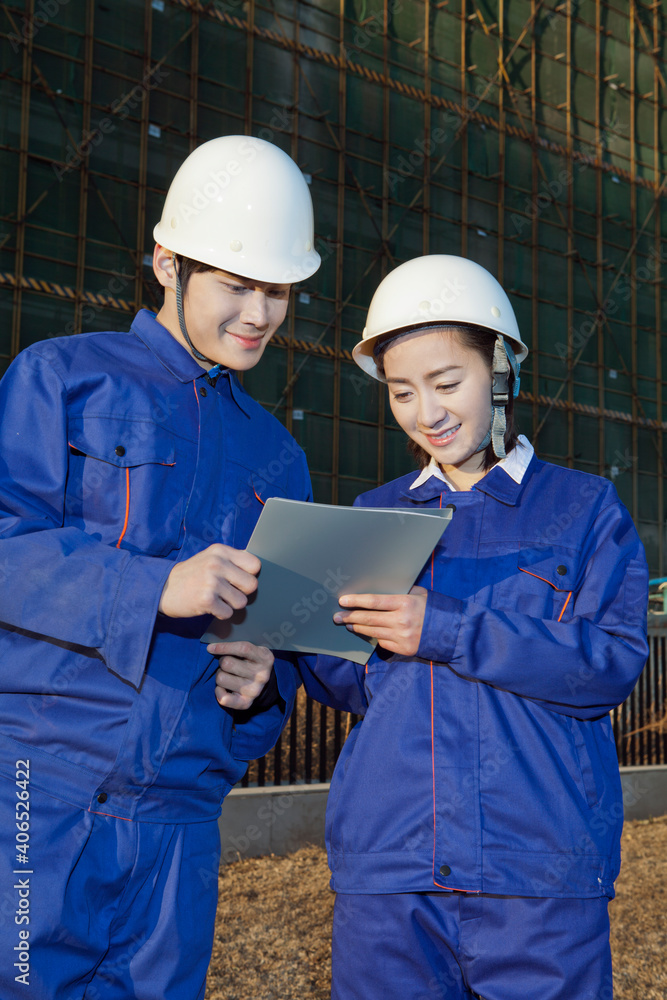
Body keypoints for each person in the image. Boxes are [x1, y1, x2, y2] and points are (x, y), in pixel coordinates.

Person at [259, 254, 648, 999]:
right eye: (402, 393)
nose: (425, 413)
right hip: (389, 875)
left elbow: (606, 666)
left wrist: (442, 627)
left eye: (446, 384)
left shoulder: (584, 510)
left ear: (500, 369)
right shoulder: (371, 516)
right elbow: (344, 682)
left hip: (536, 875)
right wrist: (276, 644)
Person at [0, 134, 320, 998]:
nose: (260, 313)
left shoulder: (277, 457)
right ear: (166, 261)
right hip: (36, 795)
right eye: (237, 285)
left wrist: (264, 679)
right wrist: (152, 585)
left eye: (279, 290)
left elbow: (277, 634)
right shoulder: (62, 378)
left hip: (179, 816)